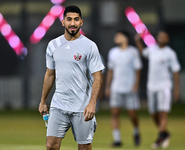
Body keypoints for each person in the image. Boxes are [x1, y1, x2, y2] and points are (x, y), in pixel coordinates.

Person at [38, 5, 105, 150]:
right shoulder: (53, 45)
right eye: (69, 19)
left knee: (84, 148)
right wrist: (43, 101)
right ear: (63, 22)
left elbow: (97, 77)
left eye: (76, 19)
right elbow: (50, 74)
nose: (72, 23)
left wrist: (92, 103)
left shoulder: (89, 46)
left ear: (81, 22)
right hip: (58, 105)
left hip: (82, 107)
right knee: (51, 146)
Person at [134, 30, 181, 149]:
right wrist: (137, 41)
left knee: (163, 112)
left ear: (168, 39)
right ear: (157, 38)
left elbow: (176, 72)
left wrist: (176, 90)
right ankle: (165, 133)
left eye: (165, 37)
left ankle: (160, 138)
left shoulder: (170, 53)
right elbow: (143, 53)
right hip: (152, 86)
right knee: (153, 114)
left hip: (164, 86)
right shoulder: (152, 49)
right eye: (160, 36)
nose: (162, 38)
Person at [105, 30, 142, 147]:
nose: (116, 38)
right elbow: (110, 71)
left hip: (130, 88)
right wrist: (108, 86)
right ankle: (117, 140)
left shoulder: (133, 52)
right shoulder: (113, 52)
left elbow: (138, 69)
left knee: (132, 113)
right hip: (116, 87)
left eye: (118, 36)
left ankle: (136, 131)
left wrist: (136, 84)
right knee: (115, 113)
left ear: (125, 38)